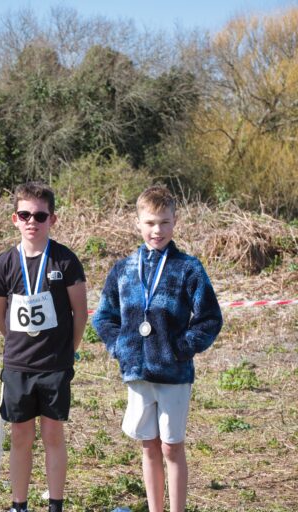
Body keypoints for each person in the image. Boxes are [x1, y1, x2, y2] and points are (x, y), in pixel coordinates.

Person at [92, 185, 223, 512]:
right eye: (150, 223)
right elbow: (103, 316)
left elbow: (209, 318)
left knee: (171, 447)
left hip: (173, 374)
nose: (157, 230)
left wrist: (181, 348)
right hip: (137, 374)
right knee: (148, 446)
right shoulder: (123, 269)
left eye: (164, 222)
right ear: (138, 223)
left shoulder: (188, 268)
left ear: (175, 221)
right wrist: (121, 347)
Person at [0, 182, 88, 512]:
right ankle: (19, 504)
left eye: (40, 216)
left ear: (52, 219)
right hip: (18, 365)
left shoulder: (65, 260)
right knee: (20, 436)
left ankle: (55, 504)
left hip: (54, 365)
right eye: (25, 215)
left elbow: (80, 312)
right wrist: (18, 343)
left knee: (52, 435)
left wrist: (68, 351)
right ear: (15, 219)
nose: (32, 221)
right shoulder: (4, 263)